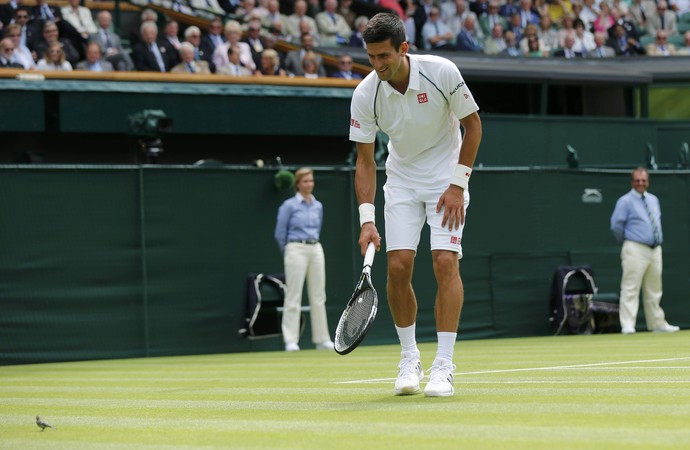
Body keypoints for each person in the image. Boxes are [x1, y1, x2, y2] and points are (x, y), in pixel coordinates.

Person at [349, 13, 481, 397]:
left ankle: (444, 365)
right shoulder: (365, 93)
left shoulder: (441, 71)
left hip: (446, 179)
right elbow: (364, 160)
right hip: (402, 181)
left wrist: (458, 185)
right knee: (398, 265)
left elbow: (473, 127)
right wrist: (366, 219)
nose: (377, 65)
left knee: (444, 262)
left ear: (404, 49)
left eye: (384, 56)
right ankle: (409, 357)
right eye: (371, 57)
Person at [610, 167, 680, 335]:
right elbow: (616, 225)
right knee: (630, 287)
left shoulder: (653, 200)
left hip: (655, 250)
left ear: (647, 181)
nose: (640, 183)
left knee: (654, 289)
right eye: (637, 180)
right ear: (632, 182)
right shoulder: (625, 201)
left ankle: (657, 323)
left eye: (643, 180)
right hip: (635, 248)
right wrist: (629, 241)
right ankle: (627, 325)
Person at [274, 167, 334, 352]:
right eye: (306, 181)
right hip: (295, 249)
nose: (310, 184)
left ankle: (322, 339)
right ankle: (290, 340)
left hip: (315, 248)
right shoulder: (288, 206)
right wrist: (290, 250)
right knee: (293, 295)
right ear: (298, 184)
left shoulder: (318, 205)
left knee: (318, 296)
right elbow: (280, 233)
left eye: (311, 181)